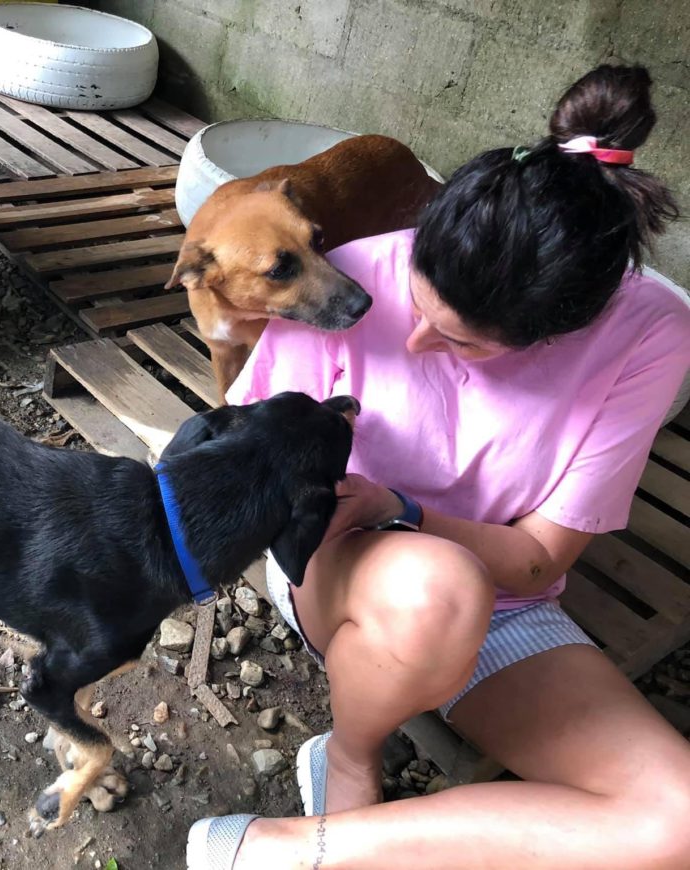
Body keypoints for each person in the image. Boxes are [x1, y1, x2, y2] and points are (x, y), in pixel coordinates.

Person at [185, 64, 690, 869]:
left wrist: (406, 507)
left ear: (556, 332)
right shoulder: (358, 270)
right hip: (348, 558)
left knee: (677, 822)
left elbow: (535, 559)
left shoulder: (653, 331)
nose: (412, 341)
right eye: (416, 304)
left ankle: (286, 849)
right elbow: (233, 459)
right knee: (437, 586)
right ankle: (353, 755)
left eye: (458, 341)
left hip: (506, 597)